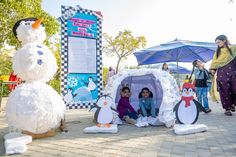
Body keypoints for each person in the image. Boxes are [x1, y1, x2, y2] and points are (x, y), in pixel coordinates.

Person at [210, 35, 236, 116]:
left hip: (233, 72)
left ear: (224, 40)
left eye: (219, 42)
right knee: (225, 91)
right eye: (216, 43)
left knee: (234, 89)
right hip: (222, 74)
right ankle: (227, 108)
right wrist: (213, 70)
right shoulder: (217, 52)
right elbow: (214, 62)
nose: (218, 44)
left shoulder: (233, 49)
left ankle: (232, 104)